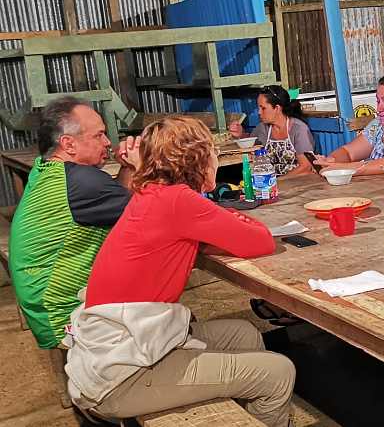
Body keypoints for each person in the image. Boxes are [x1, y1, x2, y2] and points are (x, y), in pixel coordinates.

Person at [63, 115, 294, 426]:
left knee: (243, 332)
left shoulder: (151, 193)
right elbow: (261, 240)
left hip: (119, 349)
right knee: (279, 373)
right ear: (197, 158)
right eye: (212, 149)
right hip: (120, 377)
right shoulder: (179, 201)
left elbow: (206, 237)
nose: (215, 156)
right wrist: (219, 212)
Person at [9, 96, 139, 349]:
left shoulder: (47, 169)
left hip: (43, 306)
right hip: (63, 317)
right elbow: (154, 214)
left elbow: (117, 203)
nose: (108, 142)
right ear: (68, 143)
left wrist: (127, 168)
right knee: (164, 316)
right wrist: (144, 166)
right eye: (98, 135)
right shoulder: (83, 182)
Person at [229, 85, 315, 177]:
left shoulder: (299, 129)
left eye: (263, 108)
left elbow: (306, 166)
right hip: (269, 183)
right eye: (259, 108)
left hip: (298, 183)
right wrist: (240, 134)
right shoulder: (262, 128)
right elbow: (250, 143)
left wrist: (279, 182)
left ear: (277, 108)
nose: (259, 112)